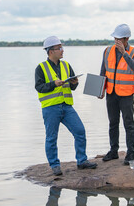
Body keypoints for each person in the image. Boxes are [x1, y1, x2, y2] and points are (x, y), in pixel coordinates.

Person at [35, 36, 97, 176]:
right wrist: (53, 84)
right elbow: (39, 87)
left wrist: (74, 83)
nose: (62, 50)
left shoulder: (66, 65)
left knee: (80, 131)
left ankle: (82, 161)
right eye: (59, 48)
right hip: (50, 108)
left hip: (67, 106)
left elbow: (73, 87)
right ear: (51, 51)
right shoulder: (41, 68)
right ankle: (55, 165)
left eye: (62, 47)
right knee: (51, 137)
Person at [100, 24, 134, 165]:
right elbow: (103, 71)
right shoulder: (107, 51)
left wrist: (124, 53)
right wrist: (100, 90)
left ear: (126, 39)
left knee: (129, 124)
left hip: (126, 94)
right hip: (111, 93)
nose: (116, 41)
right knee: (113, 123)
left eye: (118, 39)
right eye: (115, 38)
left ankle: (130, 154)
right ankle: (113, 151)